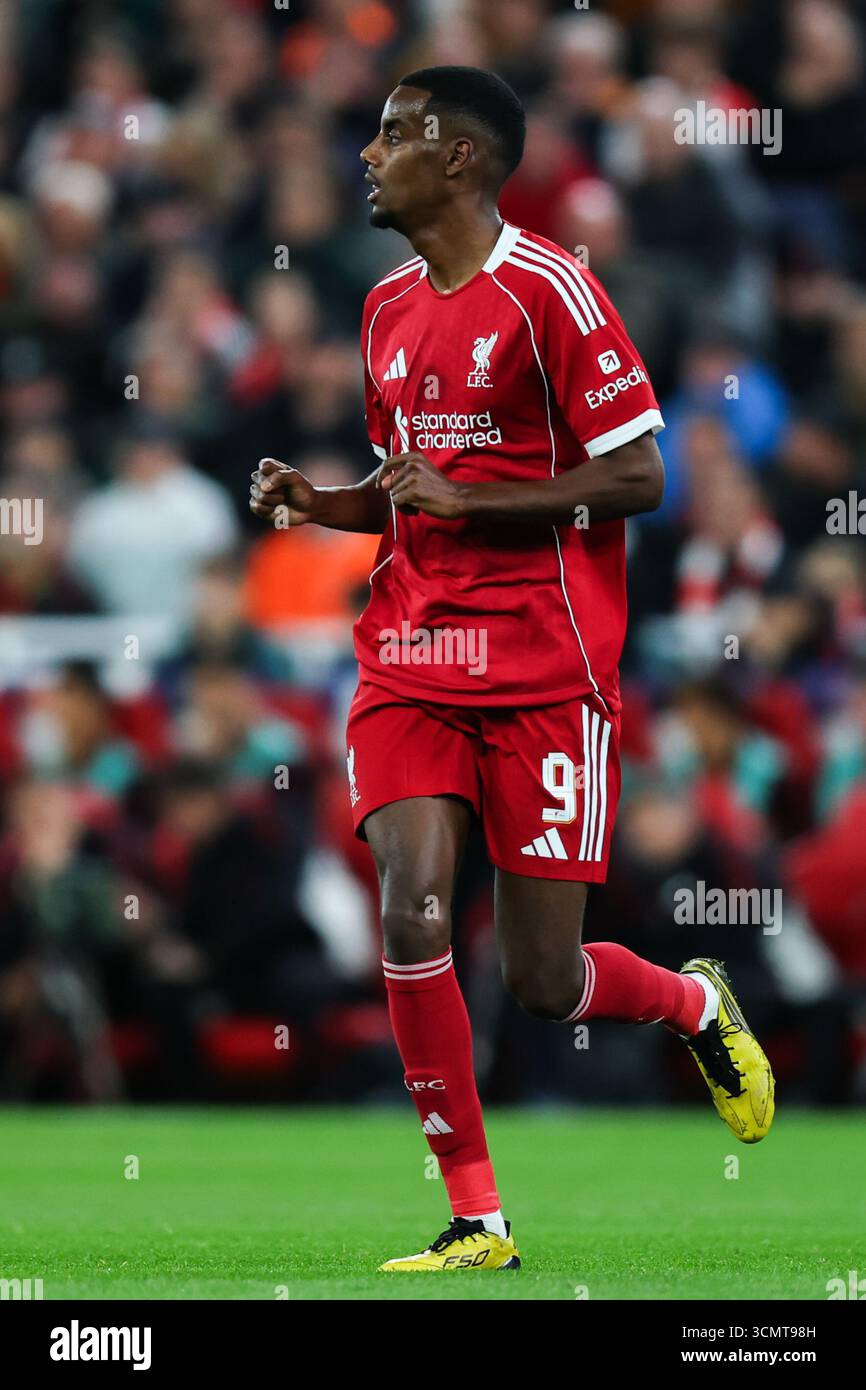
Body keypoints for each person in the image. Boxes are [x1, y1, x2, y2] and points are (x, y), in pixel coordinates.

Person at [249, 66, 774, 1275]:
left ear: (461, 158)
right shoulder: (382, 307)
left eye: (393, 134)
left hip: (545, 666)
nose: (367, 154)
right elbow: (410, 494)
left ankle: (692, 1002)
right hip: (411, 654)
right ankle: (475, 1216)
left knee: (542, 977)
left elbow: (638, 476)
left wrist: (474, 503)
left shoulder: (552, 291)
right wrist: (321, 502)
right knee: (410, 902)